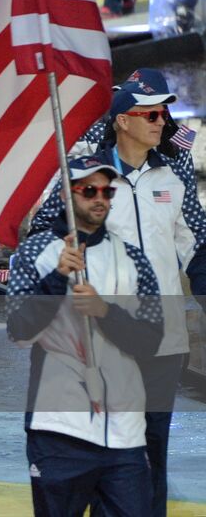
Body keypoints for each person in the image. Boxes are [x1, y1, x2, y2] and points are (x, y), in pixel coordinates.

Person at [30, 78, 206, 516]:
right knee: (97, 460)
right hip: (98, 345)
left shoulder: (171, 179)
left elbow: (197, 250)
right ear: (122, 120)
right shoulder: (85, 181)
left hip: (163, 344)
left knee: (152, 456)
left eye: (163, 114)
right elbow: (40, 241)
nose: (161, 121)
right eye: (151, 114)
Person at [8, 156, 163, 517]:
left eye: (107, 191)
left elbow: (151, 340)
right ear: (67, 194)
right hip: (58, 429)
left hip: (125, 433)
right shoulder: (35, 252)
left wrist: (105, 311)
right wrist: (56, 279)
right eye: (89, 190)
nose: (100, 199)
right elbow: (18, 330)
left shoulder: (133, 259)